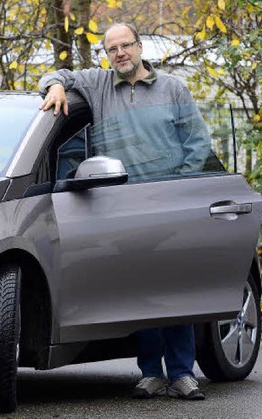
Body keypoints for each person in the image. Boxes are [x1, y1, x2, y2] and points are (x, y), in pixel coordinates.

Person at [38, 22, 207, 400]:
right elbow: (56, 72)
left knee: (174, 291)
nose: (120, 54)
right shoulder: (98, 85)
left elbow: (196, 142)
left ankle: (182, 373)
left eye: (125, 46)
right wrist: (56, 86)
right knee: (139, 291)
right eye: (112, 49)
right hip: (122, 209)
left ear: (140, 46)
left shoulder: (173, 88)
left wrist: (178, 187)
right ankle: (151, 373)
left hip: (169, 204)